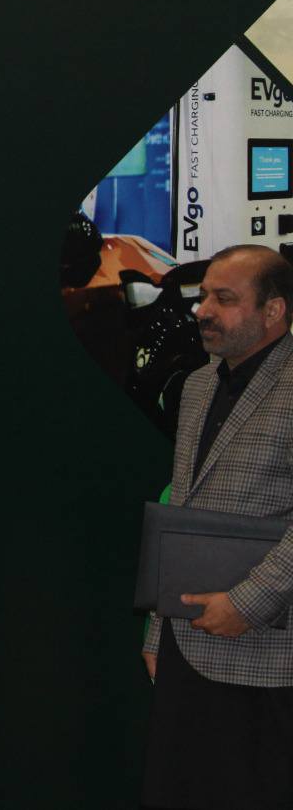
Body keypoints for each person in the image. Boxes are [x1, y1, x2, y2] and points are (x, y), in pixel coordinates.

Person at [140, 244, 293, 810]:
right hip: (186, 645)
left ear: (274, 310)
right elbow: (182, 507)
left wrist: (248, 603)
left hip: (267, 652)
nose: (203, 311)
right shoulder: (198, 386)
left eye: (224, 299)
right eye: (203, 296)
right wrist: (158, 631)